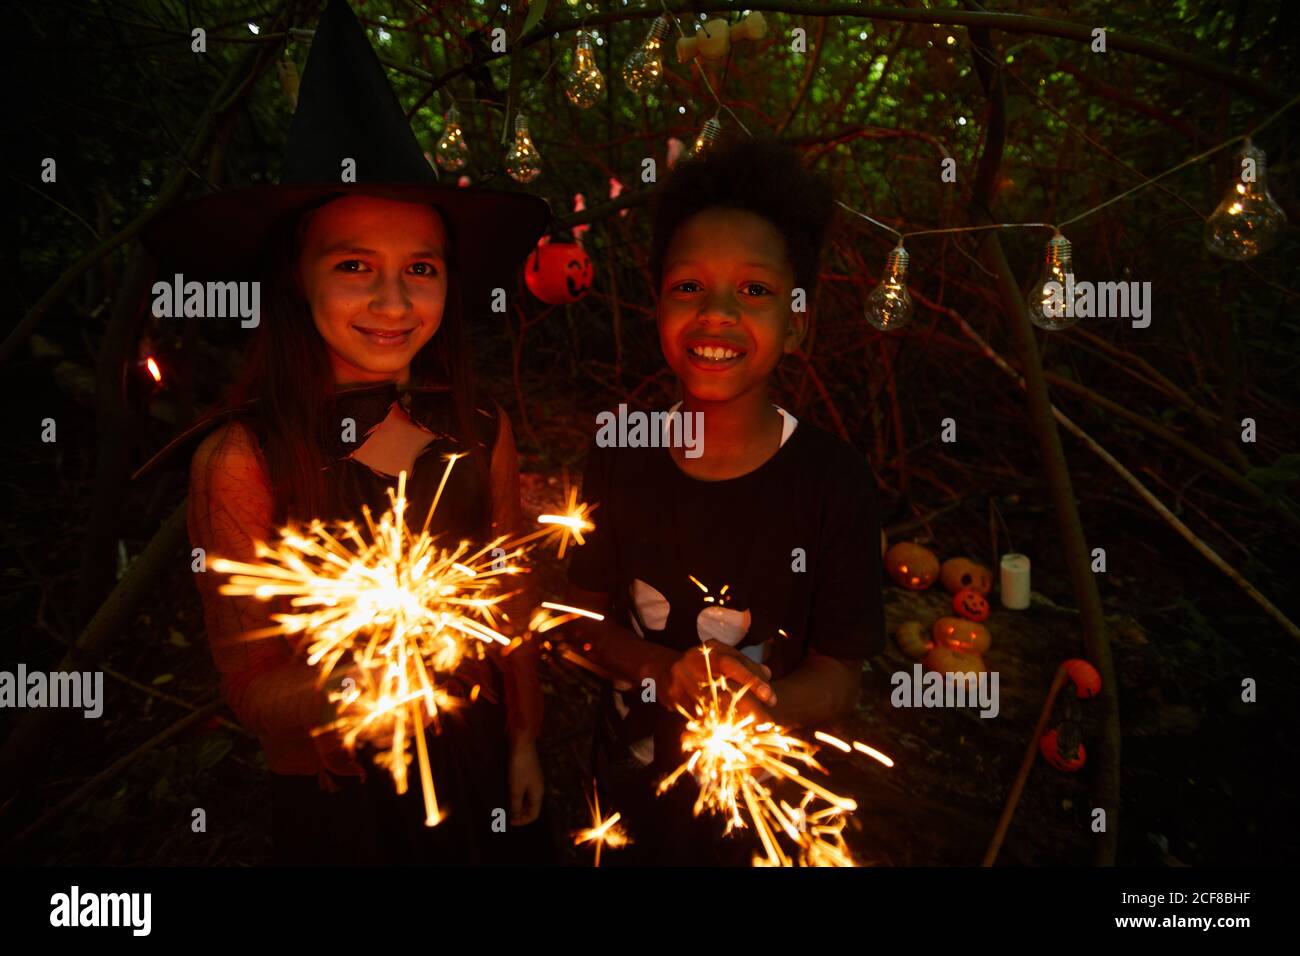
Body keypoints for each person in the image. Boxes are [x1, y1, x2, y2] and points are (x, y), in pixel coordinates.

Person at [139, 0, 552, 865]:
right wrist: (352, 690)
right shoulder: (243, 463)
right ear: (295, 278)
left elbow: (511, 602)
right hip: (344, 802)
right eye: (355, 266)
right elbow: (249, 684)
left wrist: (521, 736)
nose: (395, 304)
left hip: (474, 767)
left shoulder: (481, 429)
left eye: (422, 271)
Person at [561, 139, 885, 865]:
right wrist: (658, 671)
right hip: (624, 798)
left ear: (797, 323)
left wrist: (765, 700)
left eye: (755, 290)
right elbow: (578, 622)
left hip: (764, 815)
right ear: (657, 307)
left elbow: (839, 677)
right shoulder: (620, 450)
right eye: (688, 287)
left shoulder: (835, 484)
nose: (716, 314)